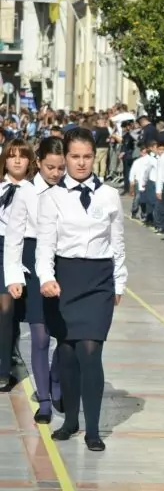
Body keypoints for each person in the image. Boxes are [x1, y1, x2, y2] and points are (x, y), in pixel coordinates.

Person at [37, 127, 127, 452]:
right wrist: (46, 277)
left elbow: (117, 242)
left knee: (90, 351)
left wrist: (120, 280)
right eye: (74, 156)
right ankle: (70, 421)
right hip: (65, 278)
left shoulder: (109, 195)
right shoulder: (51, 197)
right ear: (65, 157)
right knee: (67, 352)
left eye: (87, 156)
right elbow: (45, 245)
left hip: (99, 279)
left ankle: (93, 429)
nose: (81, 162)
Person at [5, 137, 66, 421]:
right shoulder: (26, 192)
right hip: (32, 261)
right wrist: (14, 276)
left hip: (64, 261)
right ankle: (44, 399)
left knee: (65, 336)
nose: (56, 173)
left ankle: (56, 379)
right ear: (38, 162)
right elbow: (14, 238)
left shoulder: (70, 190)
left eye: (60, 168)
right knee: (40, 337)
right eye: (50, 167)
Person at [0, 139, 37, 390]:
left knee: (8, 309)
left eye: (22, 156)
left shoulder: (35, 191)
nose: (16, 160)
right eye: (11, 155)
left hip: (19, 250)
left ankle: (4, 368)